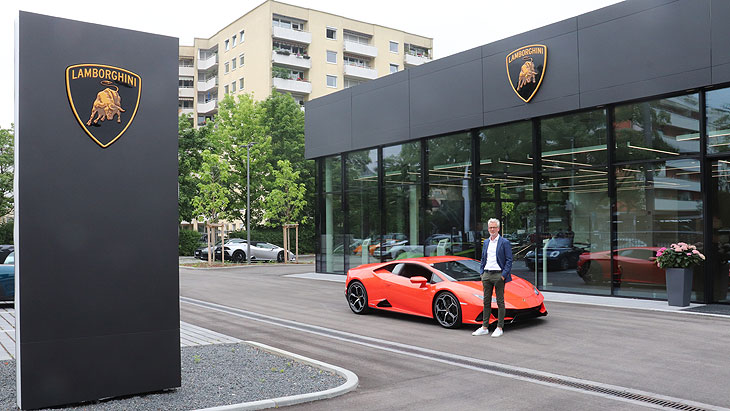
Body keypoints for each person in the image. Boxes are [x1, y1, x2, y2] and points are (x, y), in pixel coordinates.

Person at [472, 218, 513, 337]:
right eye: (490, 227)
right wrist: (482, 273)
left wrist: (503, 276)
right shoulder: (486, 242)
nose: (492, 229)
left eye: (494, 227)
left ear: (499, 228)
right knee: (486, 301)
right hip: (487, 274)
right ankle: (485, 327)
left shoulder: (504, 242)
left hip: (499, 275)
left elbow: (509, 260)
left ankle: (499, 327)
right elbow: (483, 258)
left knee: (500, 301)